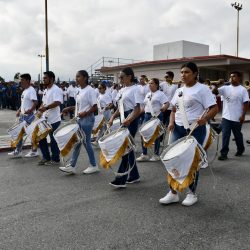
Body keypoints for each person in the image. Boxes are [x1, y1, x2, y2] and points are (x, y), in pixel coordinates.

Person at [159, 62, 218, 206]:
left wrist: (205, 119)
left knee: (191, 161)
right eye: (181, 72)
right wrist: (171, 123)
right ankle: (173, 192)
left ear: (195, 73)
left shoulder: (202, 89)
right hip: (177, 128)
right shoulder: (179, 90)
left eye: (186, 72)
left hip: (194, 129)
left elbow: (214, 108)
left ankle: (192, 193)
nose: (183, 75)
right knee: (173, 159)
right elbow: (174, 109)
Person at [108, 67, 143, 188]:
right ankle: (134, 175)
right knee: (128, 148)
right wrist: (112, 117)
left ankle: (120, 179)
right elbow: (119, 107)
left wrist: (130, 119)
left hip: (131, 120)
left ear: (129, 77)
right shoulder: (122, 90)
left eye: (122, 77)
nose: (120, 79)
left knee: (125, 148)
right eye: (119, 77)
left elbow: (137, 109)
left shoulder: (136, 89)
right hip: (124, 118)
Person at [59, 70, 99, 174]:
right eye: (76, 76)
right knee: (77, 142)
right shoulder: (79, 90)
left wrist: (85, 113)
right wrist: (69, 108)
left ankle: (94, 165)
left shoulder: (90, 90)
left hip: (87, 119)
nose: (76, 79)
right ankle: (72, 166)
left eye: (78, 76)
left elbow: (95, 107)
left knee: (86, 142)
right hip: (80, 119)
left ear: (85, 78)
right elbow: (79, 106)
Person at [213, 71, 249, 160]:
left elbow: (246, 103)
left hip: (237, 117)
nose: (231, 78)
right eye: (230, 76)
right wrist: (218, 84)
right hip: (226, 117)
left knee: (237, 136)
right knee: (225, 135)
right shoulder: (225, 88)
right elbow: (214, 91)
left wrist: (243, 115)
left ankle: (241, 149)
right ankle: (224, 154)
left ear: (239, 78)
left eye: (234, 76)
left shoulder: (243, 89)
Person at [136, 78, 170, 162]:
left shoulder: (160, 94)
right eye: (149, 83)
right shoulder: (148, 94)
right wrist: (136, 114)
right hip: (147, 115)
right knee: (143, 133)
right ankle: (144, 154)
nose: (149, 85)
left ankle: (156, 154)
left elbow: (167, 103)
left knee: (156, 136)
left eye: (151, 83)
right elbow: (144, 106)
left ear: (156, 85)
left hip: (156, 116)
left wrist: (164, 107)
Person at [8, 74, 38, 158]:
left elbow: (35, 102)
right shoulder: (25, 90)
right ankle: (18, 151)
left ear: (28, 80)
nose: (20, 82)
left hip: (29, 116)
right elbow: (23, 103)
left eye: (22, 80)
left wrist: (31, 110)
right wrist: (18, 110)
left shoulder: (31, 90)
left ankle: (34, 151)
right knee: (19, 133)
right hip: (22, 115)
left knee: (31, 133)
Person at [37, 71, 63, 165]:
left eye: (45, 78)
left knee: (53, 140)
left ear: (51, 79)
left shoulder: (56, 89)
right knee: (41, 138)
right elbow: (44, 102)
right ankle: (46, 157)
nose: (43, 79)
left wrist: (46, 107)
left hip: (54, 119)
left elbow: (58, 102)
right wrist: (40, 110)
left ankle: (55, 159)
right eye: (43, 78)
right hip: (45, 119)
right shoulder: (46, 90)